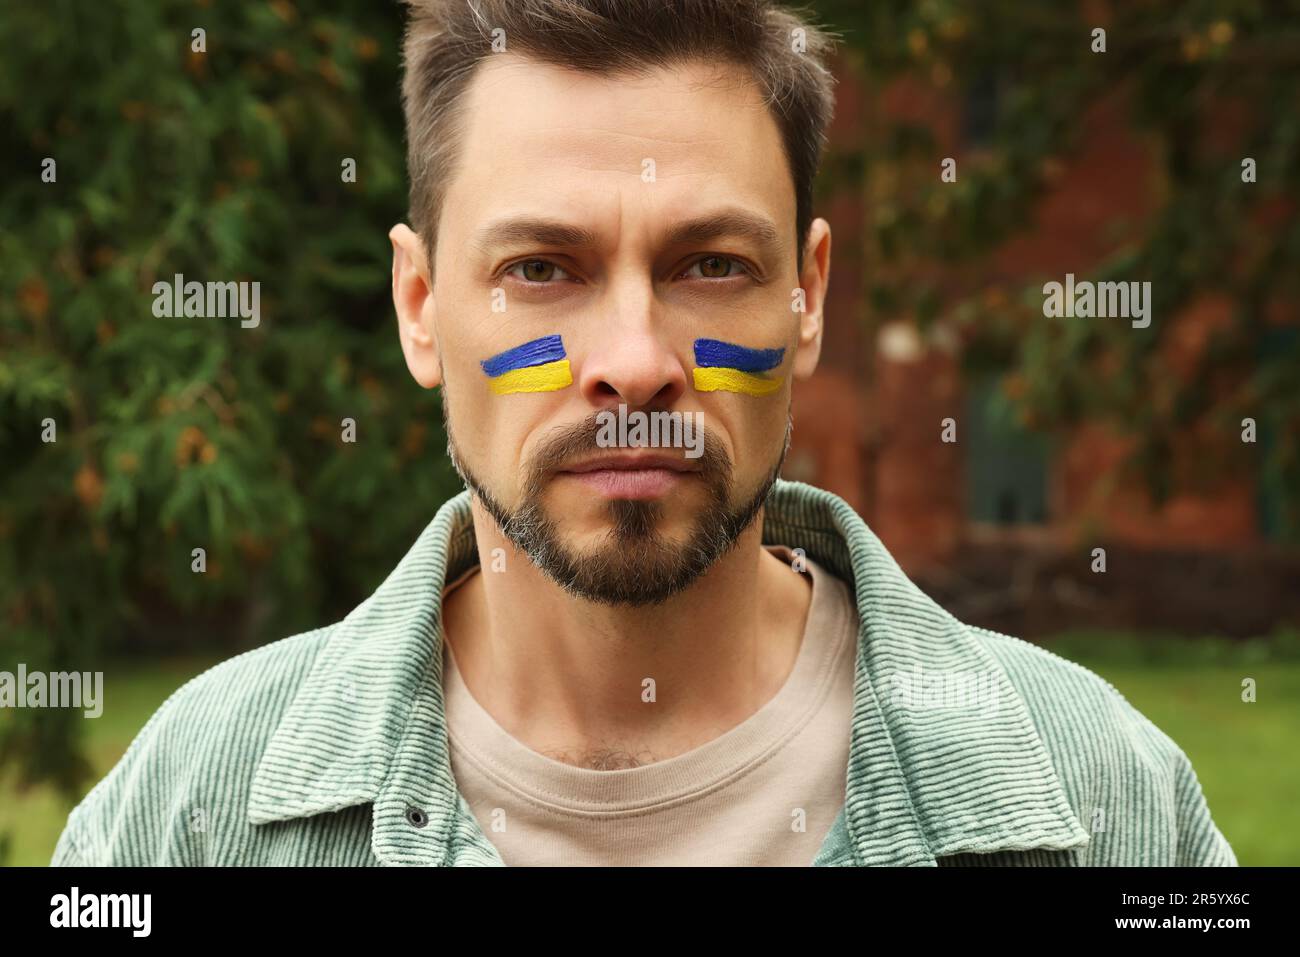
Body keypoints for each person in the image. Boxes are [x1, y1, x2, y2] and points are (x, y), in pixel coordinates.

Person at [51, 0, 1235, 867]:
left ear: (807, 298)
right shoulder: (188, 812)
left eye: (710, 264)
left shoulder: (1104, 804)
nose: (632, 361)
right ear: (421, 309)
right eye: (541, 268)